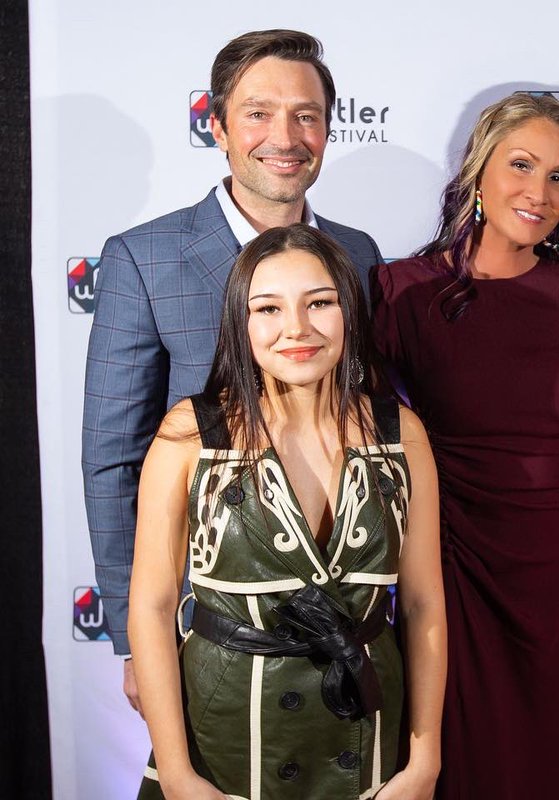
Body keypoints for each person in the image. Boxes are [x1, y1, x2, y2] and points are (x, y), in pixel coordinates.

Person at [83, 29, 383, 712]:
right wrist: (138, 638)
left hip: (348, 626)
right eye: (258, 113)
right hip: (210, 632)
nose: (285, 134)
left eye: (306, 114)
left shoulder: (361, 256)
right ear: (215, 125)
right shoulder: (143, 259)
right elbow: (112, 458)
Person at [128, 225, 445, 800]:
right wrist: (176, 774)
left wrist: (424, 760)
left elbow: (423, 604)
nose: (296, 329)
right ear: (240, 324)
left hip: (368, 727)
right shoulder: (190, 435)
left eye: (319, 303)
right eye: (268, 308)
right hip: (224, 742)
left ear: (349, 310)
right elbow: (152, 608)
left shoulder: (402, 434)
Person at [371, 93, 559, 800]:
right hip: (454, 579)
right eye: (521, 165)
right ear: (479, 172)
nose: (539, 192)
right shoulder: (402, 291)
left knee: (558, 766)